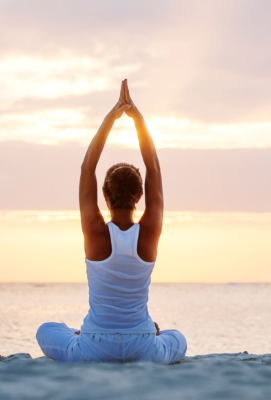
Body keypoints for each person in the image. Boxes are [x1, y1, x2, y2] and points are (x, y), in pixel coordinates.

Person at [36, 80, 187, 364]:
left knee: (46, 330)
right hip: (143, 345)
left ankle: (80, 334)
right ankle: (143, 332)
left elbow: (87, 167)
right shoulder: (149, 233)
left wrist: (112, 117)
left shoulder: (94, 232)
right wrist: (137, 118)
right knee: (178, 338)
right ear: (140, 195)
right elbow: (153, 166)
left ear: (104, 194)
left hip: (95, 346)